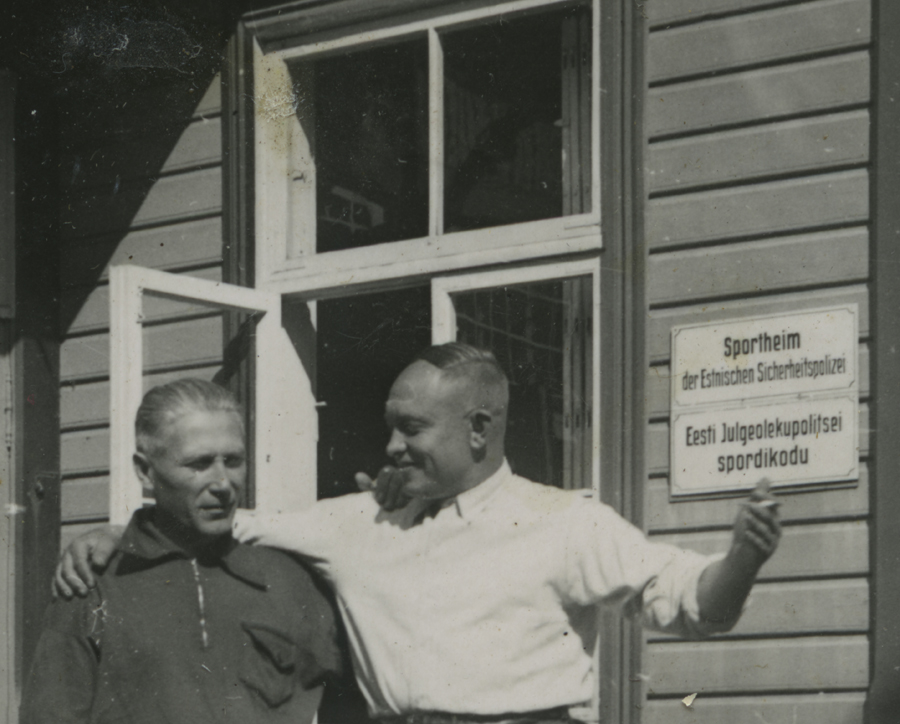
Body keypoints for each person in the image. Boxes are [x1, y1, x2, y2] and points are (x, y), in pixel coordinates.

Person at [56, 344, 781, 723]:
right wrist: (113, 534)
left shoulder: (566, 522)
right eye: (390, 427)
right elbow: (218, 519)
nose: (392, 447)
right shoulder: (356, 522)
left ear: (478, 429)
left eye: (412, 429)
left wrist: (744, 558)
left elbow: (693, 604)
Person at [27, 379, 342, 724]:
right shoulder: (93, 584)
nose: (223, 483)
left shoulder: (287, 581)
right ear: (145, 471)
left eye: (233, 460)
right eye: (199, 463)